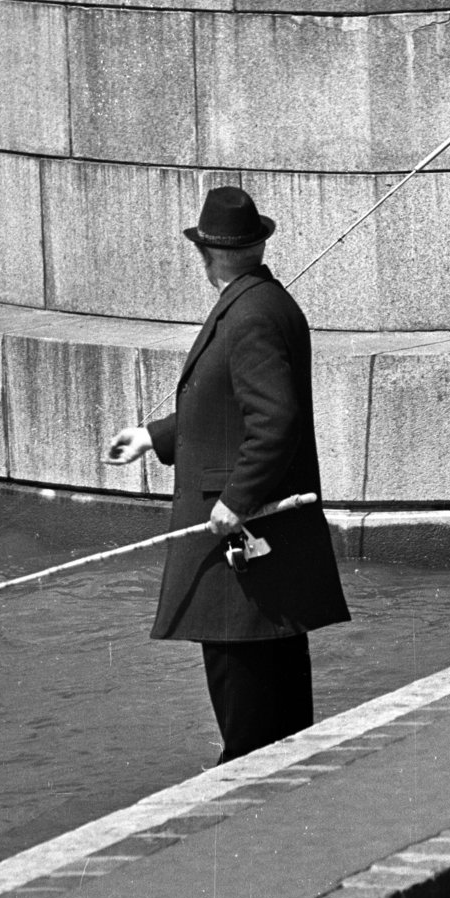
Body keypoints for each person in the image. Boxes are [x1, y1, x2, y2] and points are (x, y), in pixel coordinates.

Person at [107, 185, 350, 762]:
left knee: (249, 731)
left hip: (240, 559)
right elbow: (222, 408)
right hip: (261, 562)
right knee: (281, 718)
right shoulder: (262, 303)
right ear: (256, 245)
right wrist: (153, 436)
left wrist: (235, 500)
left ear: (205, 254)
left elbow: (274, 421)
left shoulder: (249, 318)